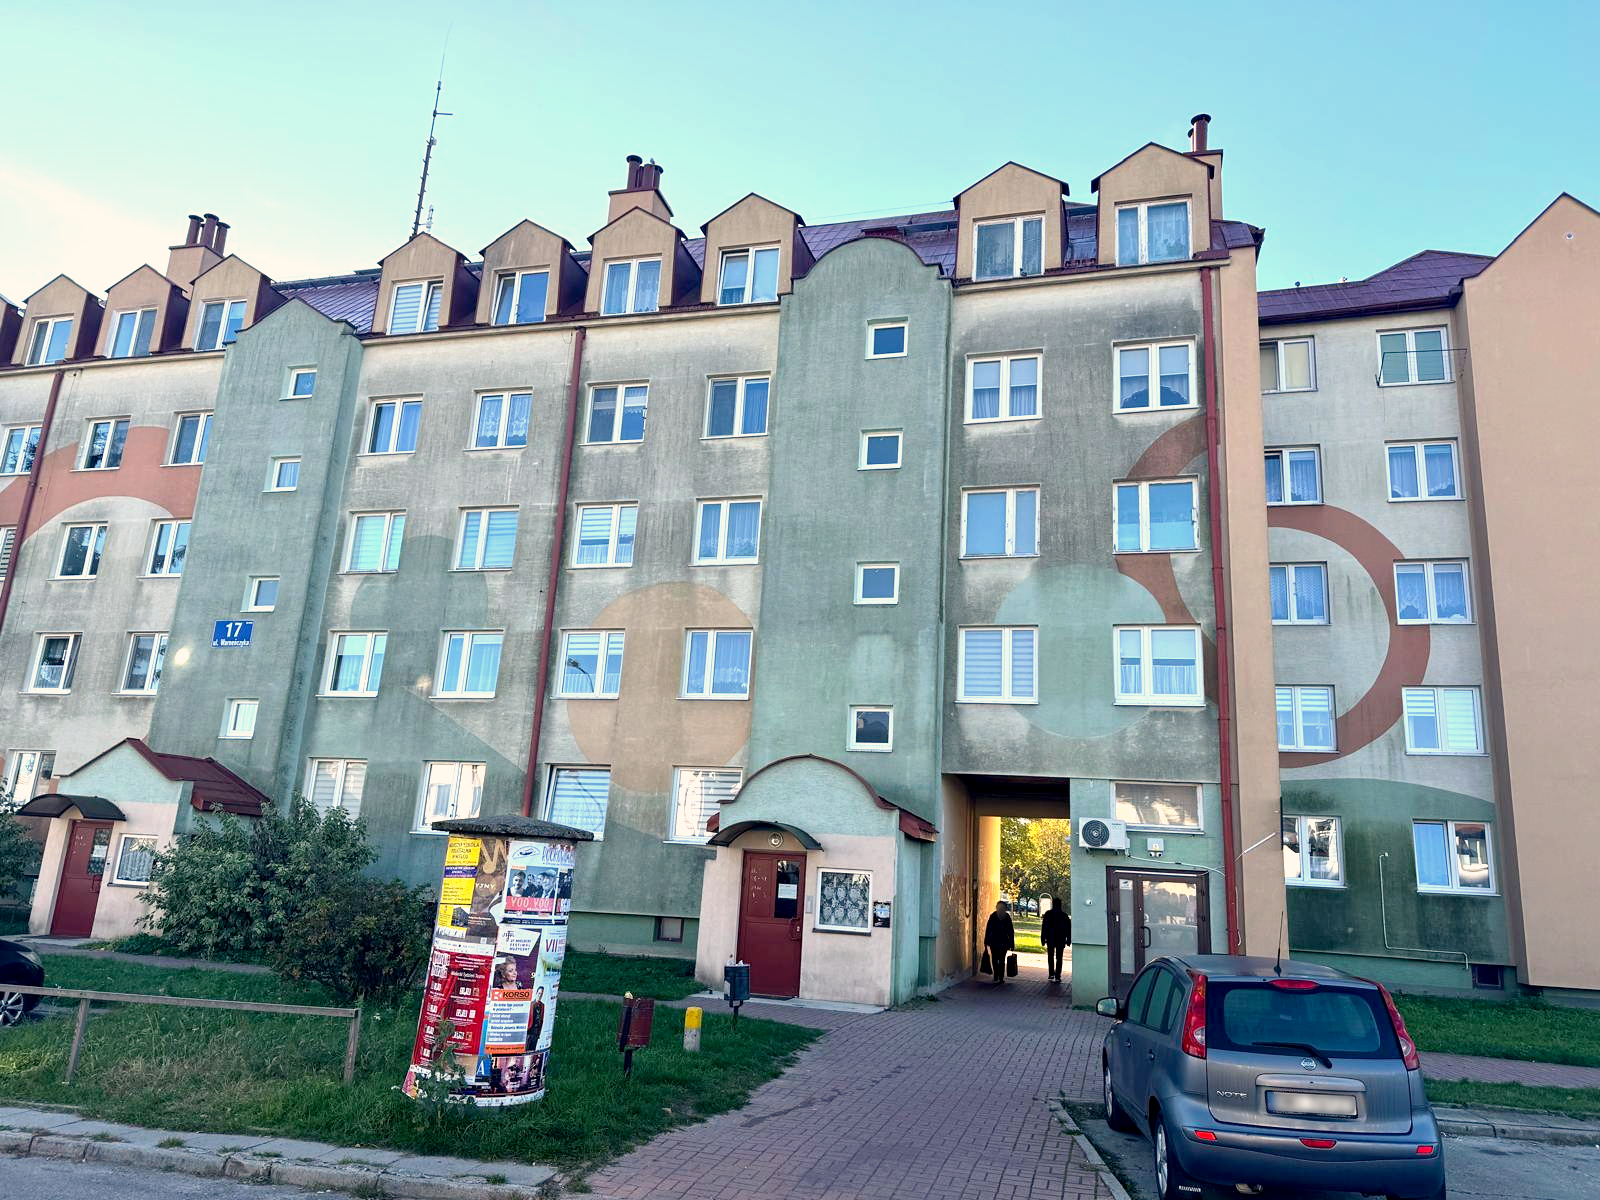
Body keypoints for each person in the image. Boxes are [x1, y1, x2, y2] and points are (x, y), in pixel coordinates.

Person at [983, 900, 1015, 985]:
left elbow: (1010, 931)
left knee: (1001, 960)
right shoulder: (994, 916)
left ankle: (1000, 976)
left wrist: (1012, 943)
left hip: (1002, 942)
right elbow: (988, 929)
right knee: (995, 959)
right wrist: (986, 941)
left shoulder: (1005, 917)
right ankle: (997, 975)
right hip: (995, 941)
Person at [1041, 897, 1071, 982]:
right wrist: (1068, 940)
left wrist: (1043, 938)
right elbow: (1068, 929)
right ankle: (1058, 975)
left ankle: (1051, 974)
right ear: (1060, 905)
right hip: (1061, 938)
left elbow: (1044, 927)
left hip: (1050, 938)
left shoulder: (1048, 914)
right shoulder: (1064, 915)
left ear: (1053, 904)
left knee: (1050, 956)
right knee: (1059, 957)